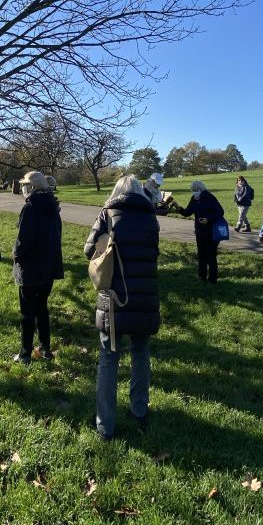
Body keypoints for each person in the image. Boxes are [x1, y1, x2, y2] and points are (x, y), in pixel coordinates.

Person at [83, 175, 160, 440]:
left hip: (114, 297)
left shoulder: (107, 214)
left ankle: (105, 426)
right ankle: (139, 410)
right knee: (141, 351)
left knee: (108, 357)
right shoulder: (151, 218)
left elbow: (88, 249)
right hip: (145, 295)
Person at [11, 171, 64, 364]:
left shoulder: (31, 208)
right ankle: (45, 348)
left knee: (27, 312)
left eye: (25, 185)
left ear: (32, 187)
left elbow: (23, 240)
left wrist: (15, 254)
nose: (23, 188)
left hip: (31, 267)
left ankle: (25, 353)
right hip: (48, 266)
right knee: (42, 308)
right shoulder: (53, 206)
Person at [176, 180, 225, 283]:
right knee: (201, 255)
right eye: (192, 190)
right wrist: (178, 208)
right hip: (199, 231)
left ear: (201, 189)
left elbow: (220, 211)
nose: (194, 192)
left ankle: (213, 279)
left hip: (211, 231)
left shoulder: (209, 197)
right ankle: (201, 276)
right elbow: (187, 212)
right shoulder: (193, 199)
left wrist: (208, 219)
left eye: (196, 190)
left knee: (211, 255)